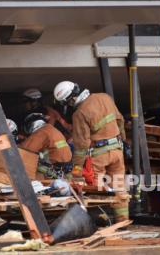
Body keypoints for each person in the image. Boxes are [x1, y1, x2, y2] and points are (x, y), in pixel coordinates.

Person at [53, 81, 129, 222]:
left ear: (71, 99)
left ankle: (100, 221)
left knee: (95, 190)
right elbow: (120, 121)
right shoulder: (105, 97)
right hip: (117, 151)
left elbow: (81, 147)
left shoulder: (79, 113)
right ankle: (122, 221)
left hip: (99, 156)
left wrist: (76, 171)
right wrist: (123, 142)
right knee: (119, 188)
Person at [20, 113, 72, 179]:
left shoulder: (41, 132)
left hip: (53, 169)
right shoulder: (51, 129)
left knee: (28, 165)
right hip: (65, 169)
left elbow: (25, 150)